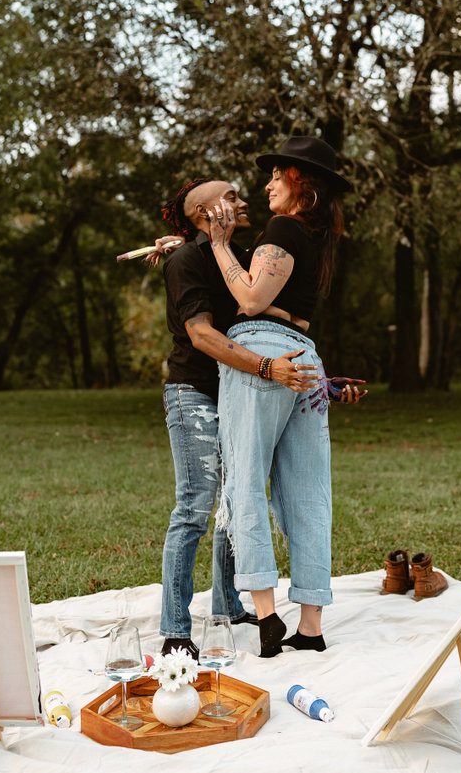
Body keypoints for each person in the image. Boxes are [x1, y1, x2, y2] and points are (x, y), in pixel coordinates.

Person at [207, 135, 366, 657]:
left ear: (303, 184)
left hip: (264, 358)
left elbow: (252, 296)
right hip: (308, 362)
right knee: (308, 492)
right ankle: (312, 625)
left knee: (246, 482)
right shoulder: (318, 241)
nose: (267, 182)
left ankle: (269, 617)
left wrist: (218, 245)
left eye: (277, 174)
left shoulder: (283, 228)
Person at [156, 177, 320, 659]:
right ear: (206, 214)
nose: (243, 199)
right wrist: (268, 367)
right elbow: (203, 336)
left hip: (237, 392)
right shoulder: (186, 261)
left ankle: (228, 605)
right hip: (194, 393)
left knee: (236, 500)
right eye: (229, 197)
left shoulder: (237, 255)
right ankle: (175, 628)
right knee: (195, 507)